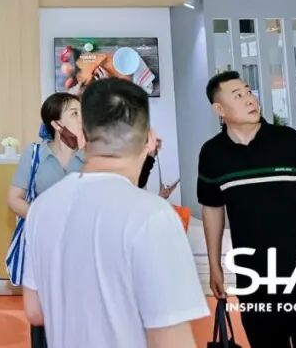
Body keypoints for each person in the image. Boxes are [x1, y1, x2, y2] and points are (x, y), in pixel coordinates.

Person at [22, 79, 207, 348]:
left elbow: (35, 312)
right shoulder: (153, 215)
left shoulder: (42, 207)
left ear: (83, 135)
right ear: (149, 138)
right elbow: (171, 340)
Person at [199, 71, 296, 348]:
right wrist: (215, 266)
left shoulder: (288, 140)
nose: (250, 99)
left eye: (249, 91)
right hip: (254, 278)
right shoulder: (212, 153)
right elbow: (212, 210)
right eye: (238, 95)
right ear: (219, 109)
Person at [6, 93, 85, 348]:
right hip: (44, 250)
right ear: (56, 124)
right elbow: (14, 198)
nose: (82, 118)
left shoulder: (91, 155)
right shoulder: (34, 154)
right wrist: (44, 218)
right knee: (42, 318)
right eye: (74, 113)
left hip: (82, 250)